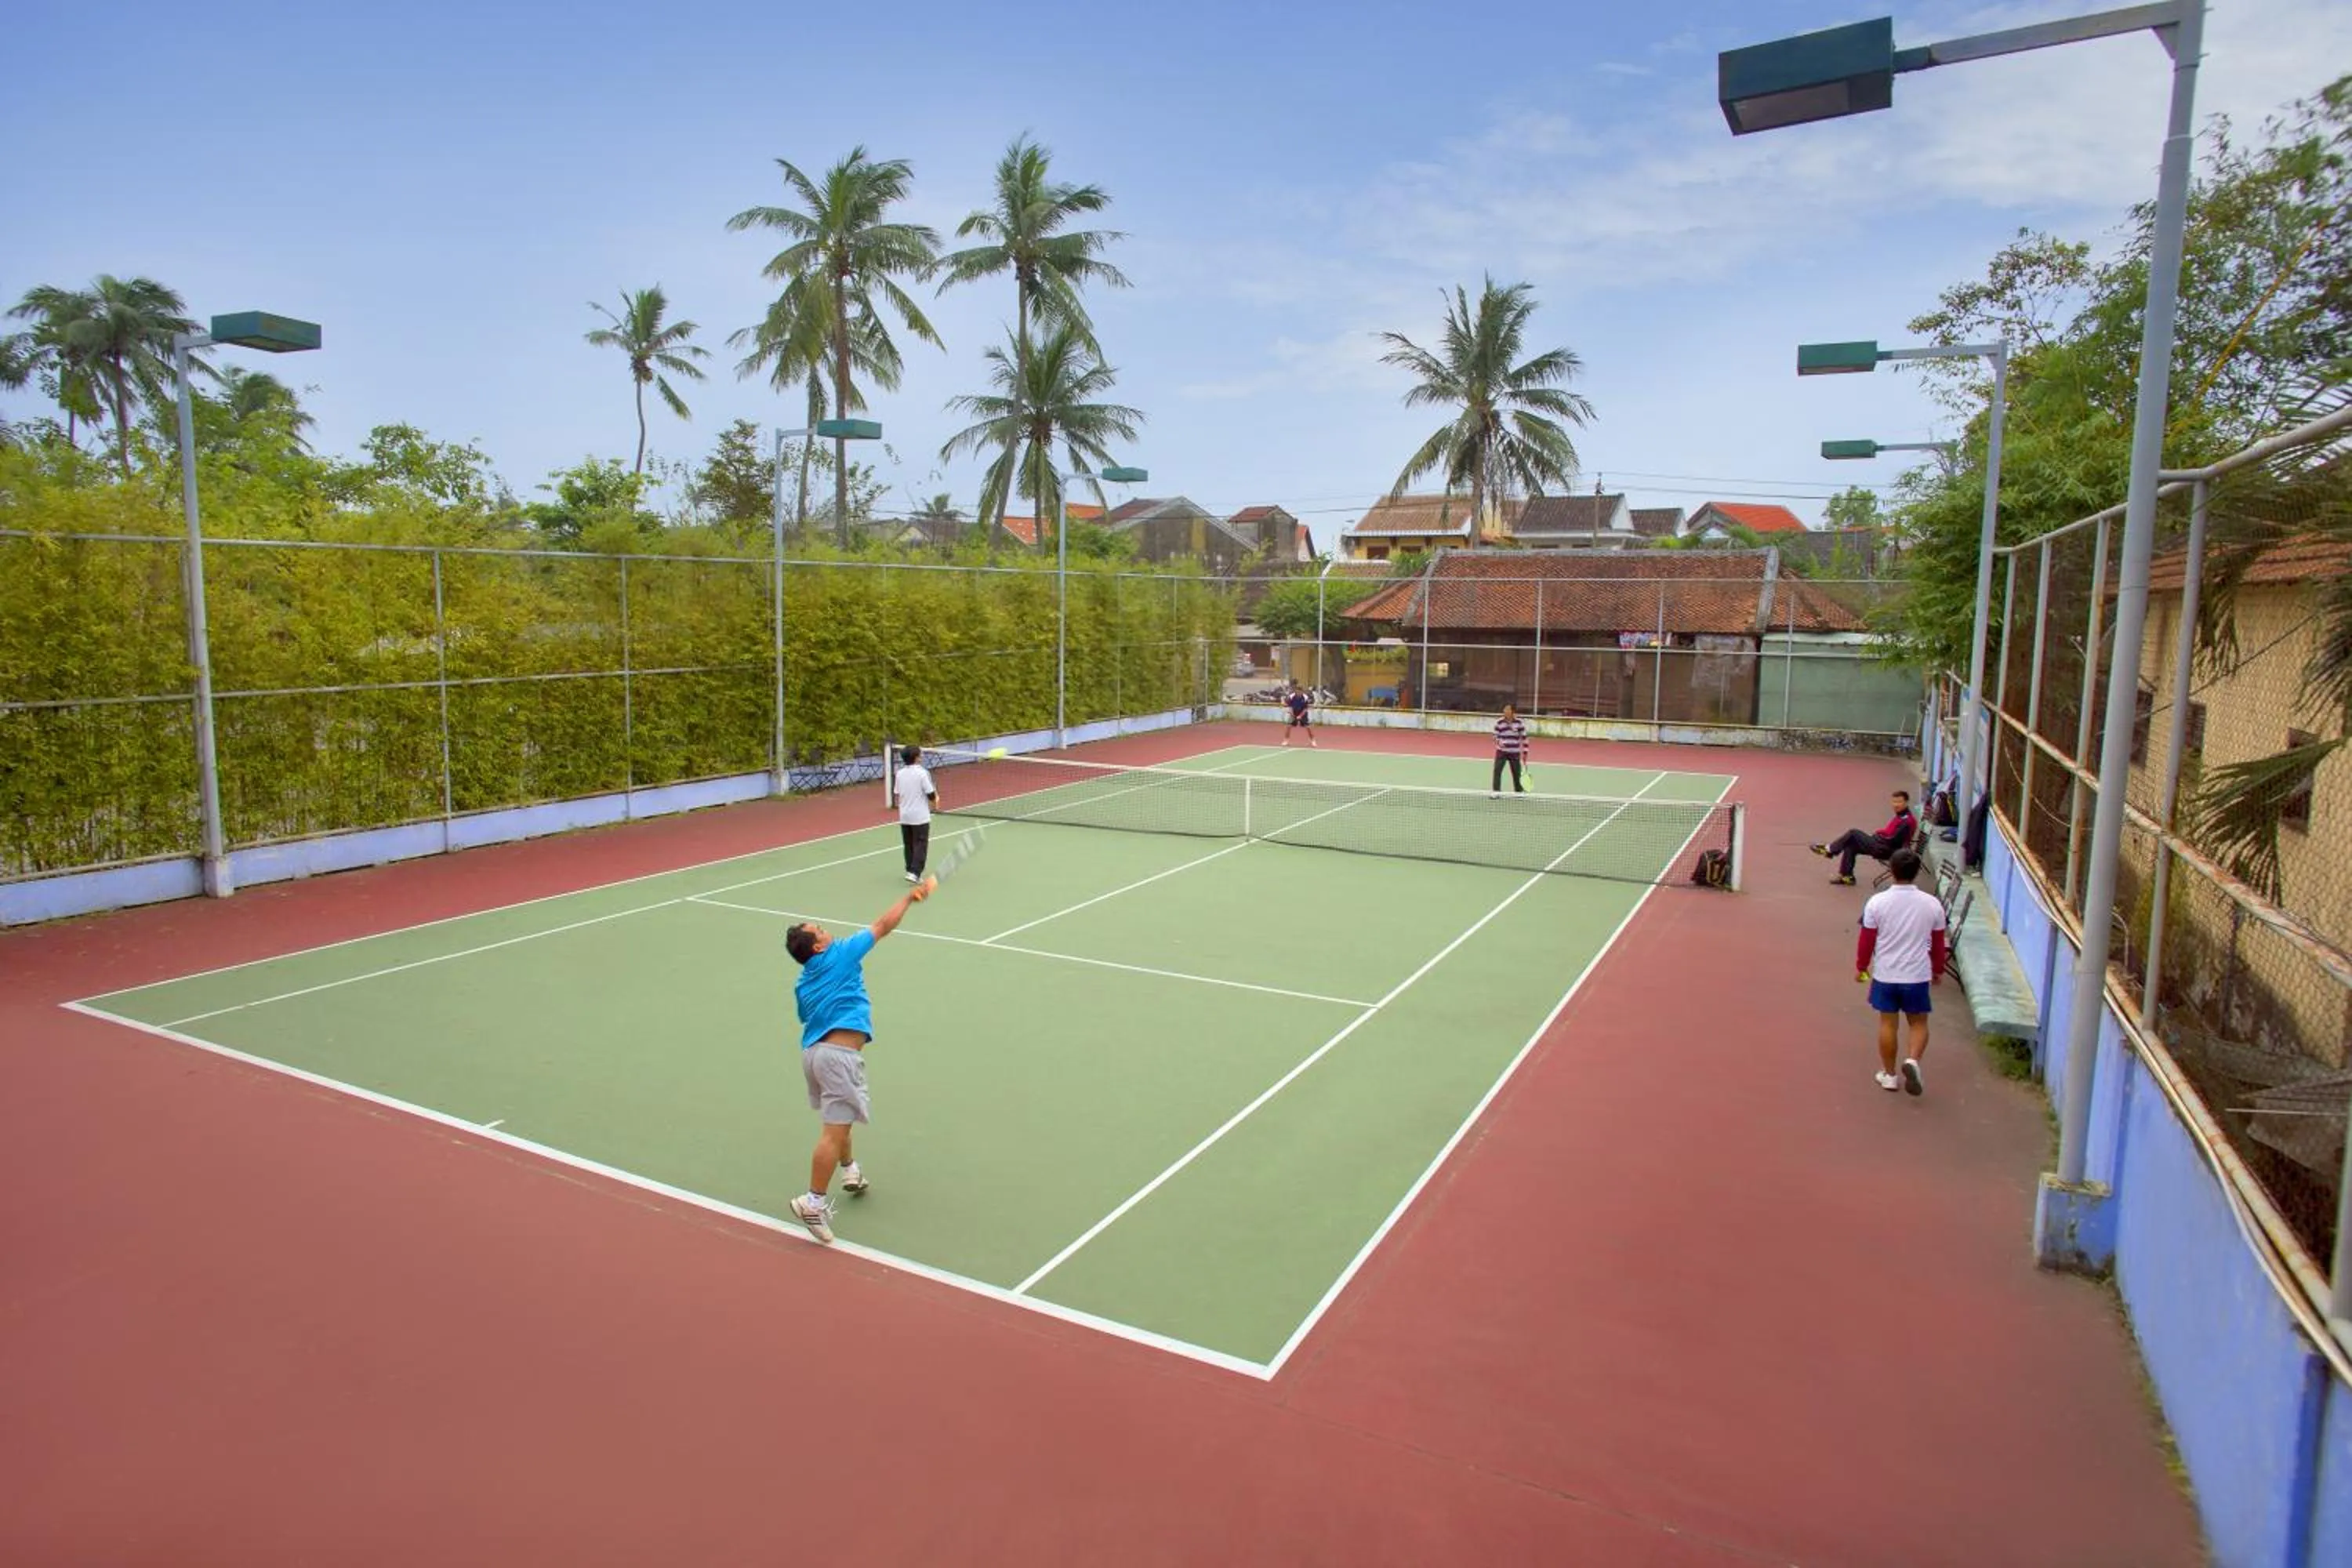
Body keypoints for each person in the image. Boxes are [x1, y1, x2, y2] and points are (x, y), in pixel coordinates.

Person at [783, 880, 932, 1243]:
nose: (825, 928)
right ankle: (813, 1202)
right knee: (832, 1132)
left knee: (840, 1119)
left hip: (814, 1056)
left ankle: (851, 1171)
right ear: (818, 946)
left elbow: (806, 1016)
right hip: (839, 1058)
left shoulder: (802, 983)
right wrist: (910, 898)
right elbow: (883, 925)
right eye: (819, 929)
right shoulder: (841, 953)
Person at [1855, 848, 1947, 1096]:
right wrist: (1937, 969)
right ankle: (1913, 1060)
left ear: (1892, 871)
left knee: (1888, 1023)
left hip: (1887, 973)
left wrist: (1861, 966)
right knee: (1918, 1023)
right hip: (1917, 974)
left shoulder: (1877, 902)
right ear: (1917, 872)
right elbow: (1938, 943)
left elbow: (1867, 940)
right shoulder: (1932, 904)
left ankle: (1889, 1075)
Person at [1810, 789, 1918, 886]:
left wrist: (1878, 837)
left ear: (1906, 802)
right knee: (1851, 844)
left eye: (1899, 802)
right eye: (1894, 802)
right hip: (1883, 845)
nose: (1896, 805)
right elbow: (1889, 833)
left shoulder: (1907, 821)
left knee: (1853, 833)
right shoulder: (1902, 816)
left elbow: (1893, 840)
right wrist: (1880, 834)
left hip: (1887, 850)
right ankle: (1847, 876)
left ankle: (1829, 850)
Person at [891, 744, 937, 884]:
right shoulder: (922, 773)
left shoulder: (899, 773)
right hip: (920, 817)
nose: (922, 756)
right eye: (920, 754)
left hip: (905, 816)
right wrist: (934, 802)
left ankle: (910, 870)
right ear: (916, 758)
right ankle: (915, 872)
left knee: (909, 844)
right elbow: (930, 794)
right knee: (921, 844)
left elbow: (898, 794)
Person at [1491, 705, 1530, 796]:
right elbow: (1495, 735)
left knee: (1516, 772)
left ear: (1512, 711)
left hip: (1515, 752)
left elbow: (1524, 737)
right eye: (1504, 709)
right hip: (1501, 752)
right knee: (1497, 771)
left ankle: (1518, 791)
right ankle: (1496, 792)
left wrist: (1525, 752)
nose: (1504, 711)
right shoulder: (1499, 722)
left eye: (1507, 709)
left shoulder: (1519, 723)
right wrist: (1498, 741)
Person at [1282, 681, 1316, 746]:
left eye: (1300, 691)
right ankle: (1286, 741)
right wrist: (1292, 714)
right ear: (1295, 690)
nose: (1299, 692)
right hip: (1294, 711)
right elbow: (1290, 706)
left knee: (1308, 727)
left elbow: (1305, 709)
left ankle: (1313, 740)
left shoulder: (1305, 697)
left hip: (1302, 712)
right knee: (1288, 726)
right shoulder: (1291, 696)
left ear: (1302, 691)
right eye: (1297, 691)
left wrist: (1300, 716)